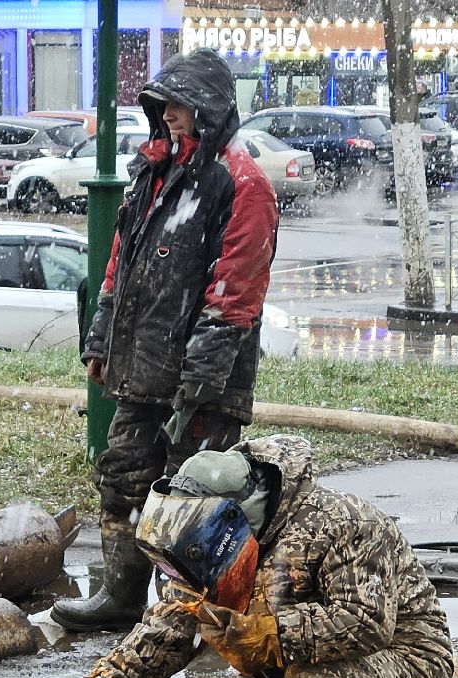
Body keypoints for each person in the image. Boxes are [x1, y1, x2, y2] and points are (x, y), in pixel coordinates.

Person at [35, 435, 455, 678]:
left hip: (404, 660)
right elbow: (167, 630)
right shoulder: (208, 548)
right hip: (287, 675)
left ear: (234, 521)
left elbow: (365, 621)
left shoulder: (345, 523)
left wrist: (270, 636)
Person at [49, 48, 280, 633]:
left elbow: (235, 291)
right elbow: (120, 264)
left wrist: (199, 382)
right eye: (165, 104)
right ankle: (122, 596)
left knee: (193, 496)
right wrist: (102, 339)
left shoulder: (240, 183)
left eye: (181, 104)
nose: (171, 115)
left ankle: (197, 618)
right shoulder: (155, 173)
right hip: (142, 369)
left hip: (200, 381)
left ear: (211, 108)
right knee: (123, 474)